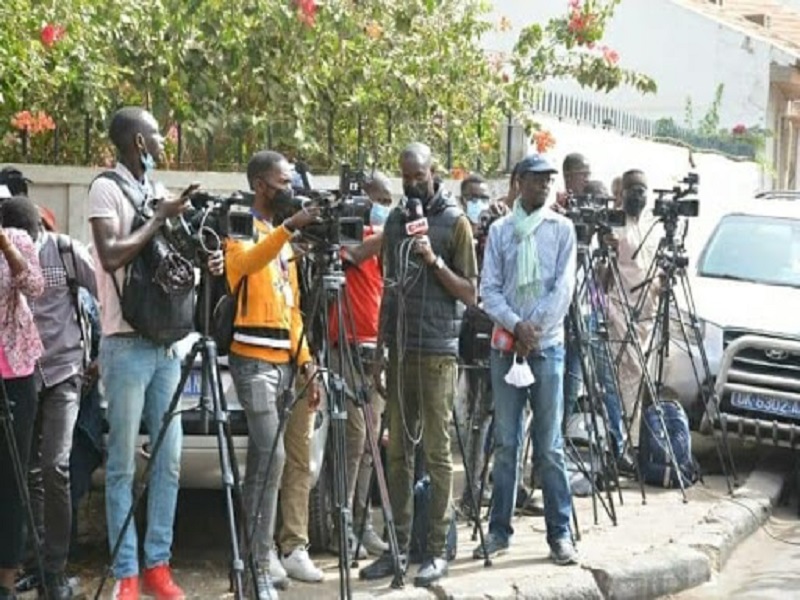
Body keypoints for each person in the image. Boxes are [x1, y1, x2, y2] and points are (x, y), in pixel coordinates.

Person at [88, 106, 223, 600]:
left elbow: (174, 264)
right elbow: (112, 254)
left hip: (167, 344)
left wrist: (200, 250)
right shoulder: (106, 188)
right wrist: (158, 217)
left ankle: (158, 565)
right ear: (137, 143)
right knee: (123, 463)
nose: (163, 142)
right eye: (155, 136)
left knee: (168, 460)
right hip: (124, 342)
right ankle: (126, 572)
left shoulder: (157, 191)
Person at [361, 142, 478, 587]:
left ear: (434, 173)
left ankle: (435, 550)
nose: (412, 183)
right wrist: (379, 351)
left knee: (435, 451)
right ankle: (398, 545)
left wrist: (433, 260)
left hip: (438, 351)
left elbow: (470, 293)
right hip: (401, 350)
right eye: (405, 176)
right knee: (397, 453)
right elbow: (389, 288)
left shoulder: (455, 222)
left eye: (418, 175)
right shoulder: (395, 222)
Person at [225, 150, 321, 598]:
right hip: (252, 359)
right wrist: (288, 228)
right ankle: (258, 564)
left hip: (285, 362)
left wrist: (308, 363)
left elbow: (294, 309)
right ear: (262, 184)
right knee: (272, 455)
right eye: (285, 181)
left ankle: (251, 559)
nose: (292, 188)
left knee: (268, 460)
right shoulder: (240, 222)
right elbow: (240, 267)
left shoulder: (284, 242)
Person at [477, 154, 578, 565]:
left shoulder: (562, 228)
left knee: (549, 445)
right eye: (537, 180)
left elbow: (564, 288)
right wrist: (516, 326)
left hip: (547, 346)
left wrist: (532, 329)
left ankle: (560, 534)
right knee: (506, 443)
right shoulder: (501, 231)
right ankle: (499, 530)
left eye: (549, 180)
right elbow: (490, 289)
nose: (544, 186)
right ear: (519, 182)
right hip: (506, 349)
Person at [7, 194, 96, 600]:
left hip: (62, 370)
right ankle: (33, 562)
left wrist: (104, 357)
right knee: (27, 471)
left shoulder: (65, 251)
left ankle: (56, 570)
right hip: (23, 373)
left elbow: (104, 296)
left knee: (56, 465)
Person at [328, 171, 393, 558]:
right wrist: (389, 232)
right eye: (380, 198)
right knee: (354, 438)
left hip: (376, 346)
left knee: (372, 442)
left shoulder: (384, 240)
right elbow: (351, 256)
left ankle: (362, 521)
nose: (385, 205)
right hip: (347, 343)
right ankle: (342, 526)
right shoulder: (348, 231)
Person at [0, 196, 44, 600]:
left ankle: (7, 580)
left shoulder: (15, 238)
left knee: (12, 479)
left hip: (14, 373)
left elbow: (35, 285)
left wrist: (5, 245)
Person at [603, 169, 659, 449]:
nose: (638, 195)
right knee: (621, 376)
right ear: (621, 194)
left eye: (642, 190)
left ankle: (635, 443)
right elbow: (604, 276)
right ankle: (621, 442)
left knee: (640, 379)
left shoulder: (651, 227)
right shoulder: (614, 225)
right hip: (619, 311)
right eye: (633, 190)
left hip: (647, 315)